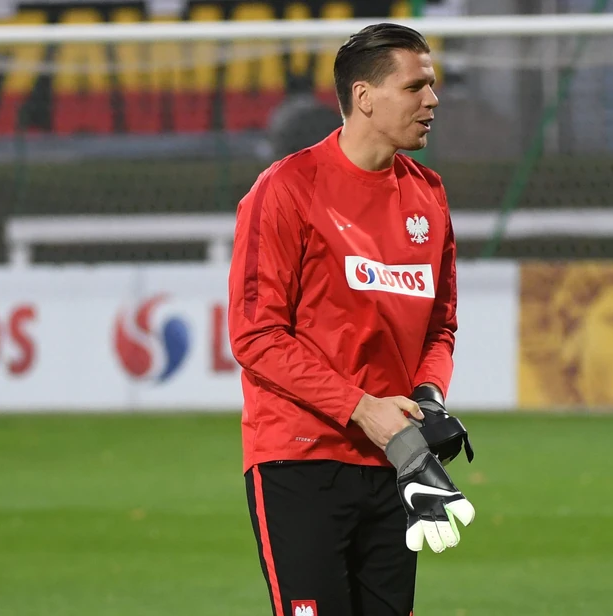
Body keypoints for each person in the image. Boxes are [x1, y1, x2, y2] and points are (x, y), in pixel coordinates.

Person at [227, 23, 475, 616]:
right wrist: (364, 410)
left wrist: (427, 397)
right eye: (415, 87)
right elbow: (256, 336)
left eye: (432, 85)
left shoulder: (429, 195)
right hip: (301, 457)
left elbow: (439, 325)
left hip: (396, 461)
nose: (432, 100)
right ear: (364, 96)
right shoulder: (286, 189)